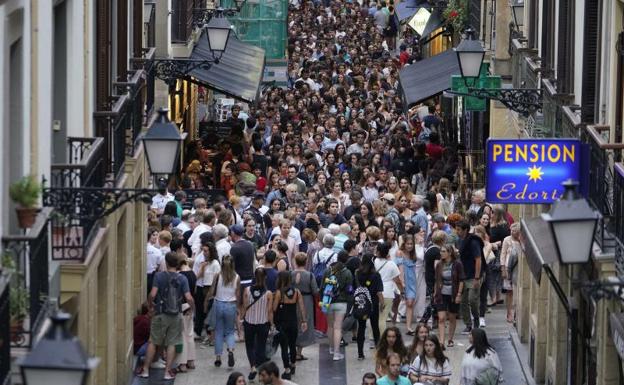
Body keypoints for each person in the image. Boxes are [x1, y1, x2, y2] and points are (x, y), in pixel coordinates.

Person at [137, 252, 195, 380]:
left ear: (167, 263)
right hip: (176, 315)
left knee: (153, 341)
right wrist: (192, 308)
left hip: (160, 313)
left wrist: (151, 305)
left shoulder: (159, 276)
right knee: (172, 343)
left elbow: (152, 295)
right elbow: (189, 297)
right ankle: (167, 372)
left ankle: (145, 370)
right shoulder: (183, 279)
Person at [273, 271, 307, 380]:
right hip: (293, 323)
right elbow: (302, 307)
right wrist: (304, 321)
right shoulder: (297, 292)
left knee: (284, 347)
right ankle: (293, 365)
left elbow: (274, 309)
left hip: (282, 323)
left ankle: (287, 370)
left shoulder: (279, 293)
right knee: (292, 345)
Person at [209, 254, 241, 368]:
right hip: (231, 305)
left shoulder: (218, 275)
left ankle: (218, 357)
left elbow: (212, 289)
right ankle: (231, 350)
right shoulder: (237, 277)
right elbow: (237, 295)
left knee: (218, 331)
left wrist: (206, 301)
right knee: (230, 331)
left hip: (218, 304)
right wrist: (238, 308)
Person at [242, 268, 274, 381]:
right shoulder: (269, 293)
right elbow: (269, 311)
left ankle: (252, 367)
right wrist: (272, 324)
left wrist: (241, 319)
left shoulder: (246, 290)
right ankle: (260, 368)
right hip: (263, 323)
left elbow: (245, 307)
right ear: (265, 277)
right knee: (261, 346)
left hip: (249, 322)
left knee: (249, 346)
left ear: (254, 277)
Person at [320, 252, 353, 361]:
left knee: (330, 326)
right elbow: (349, 290)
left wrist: (322, 301)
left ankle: (331, 348)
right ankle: (337, 353)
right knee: (338, 327)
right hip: (341, 303)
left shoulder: (328, 270)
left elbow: (322, 287)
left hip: (328, 302)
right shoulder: (347, 273)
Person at [456, 220, 483, 334]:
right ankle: (468, 324)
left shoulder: (473, 242)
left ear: (465, 230)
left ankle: (476, 318)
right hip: (464, 274)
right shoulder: (460, 241)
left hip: (473, 275)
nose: (456, 232)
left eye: (458, 230)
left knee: (472, 299)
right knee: (463, 302)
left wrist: (477, 278)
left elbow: (478, 259)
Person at [434, 244, 464, 347]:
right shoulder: (439, 264)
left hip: (453, 293)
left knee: (452, 317)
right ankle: (441, 341)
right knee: (441, 318)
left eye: (443, 251)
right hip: (441, 294)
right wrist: (435, 293)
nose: (441, 253)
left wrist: (459, 294)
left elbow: (461, 280)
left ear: (449, 253)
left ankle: (450, 339)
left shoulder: (457, 264)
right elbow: (437, 280)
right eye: (441, 251)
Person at [355, 254, 384, 359]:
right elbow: (379, 292)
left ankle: (360, 354)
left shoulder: (357, 273)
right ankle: (379, 352)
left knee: (361, 328)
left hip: (361, 304)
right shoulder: (376, 275)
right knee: (375, 327)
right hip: (373, 305)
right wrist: (382, 303)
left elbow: (353, 288)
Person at [291, 253, 319, 360]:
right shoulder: (310, 275)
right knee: (304, 323)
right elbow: (315, 291)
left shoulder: (291, 274)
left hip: (292, 300)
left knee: (294, 323)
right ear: (306, 262)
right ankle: (298, 352)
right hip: (306, 300)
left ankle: (292, 349)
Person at [375, 242, 403, 332]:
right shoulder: (391, 264)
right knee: (383, 318)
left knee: (375, 317)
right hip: (387, 292)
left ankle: (372, 339)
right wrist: (402, 291)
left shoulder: (374, 261)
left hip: (375, 291)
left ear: (378, 252)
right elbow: (397, 280)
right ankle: (382, 338)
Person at [396, 234, 418, 334]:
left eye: (411, 244)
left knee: (410, 303)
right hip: (402, 280)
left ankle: (409, 326)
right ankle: (394, 323)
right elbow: (400, 268)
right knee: (396, 303)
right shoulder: (399, 253)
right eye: (408, 244)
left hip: (412, 280)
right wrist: (402, 282)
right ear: (404, 244)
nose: (410, 246)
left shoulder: (413, 254)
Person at [500, 222, 522, 323]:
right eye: (512, 231)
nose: (513, 233)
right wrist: (503, 268)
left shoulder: (521, 240)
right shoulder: (506, 240)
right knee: (509, 292)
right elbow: (503, 255)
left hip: (519, 269)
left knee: (517, 291)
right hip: (508, 268)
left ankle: (517, 312)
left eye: (515, 231)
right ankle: (509, 312)